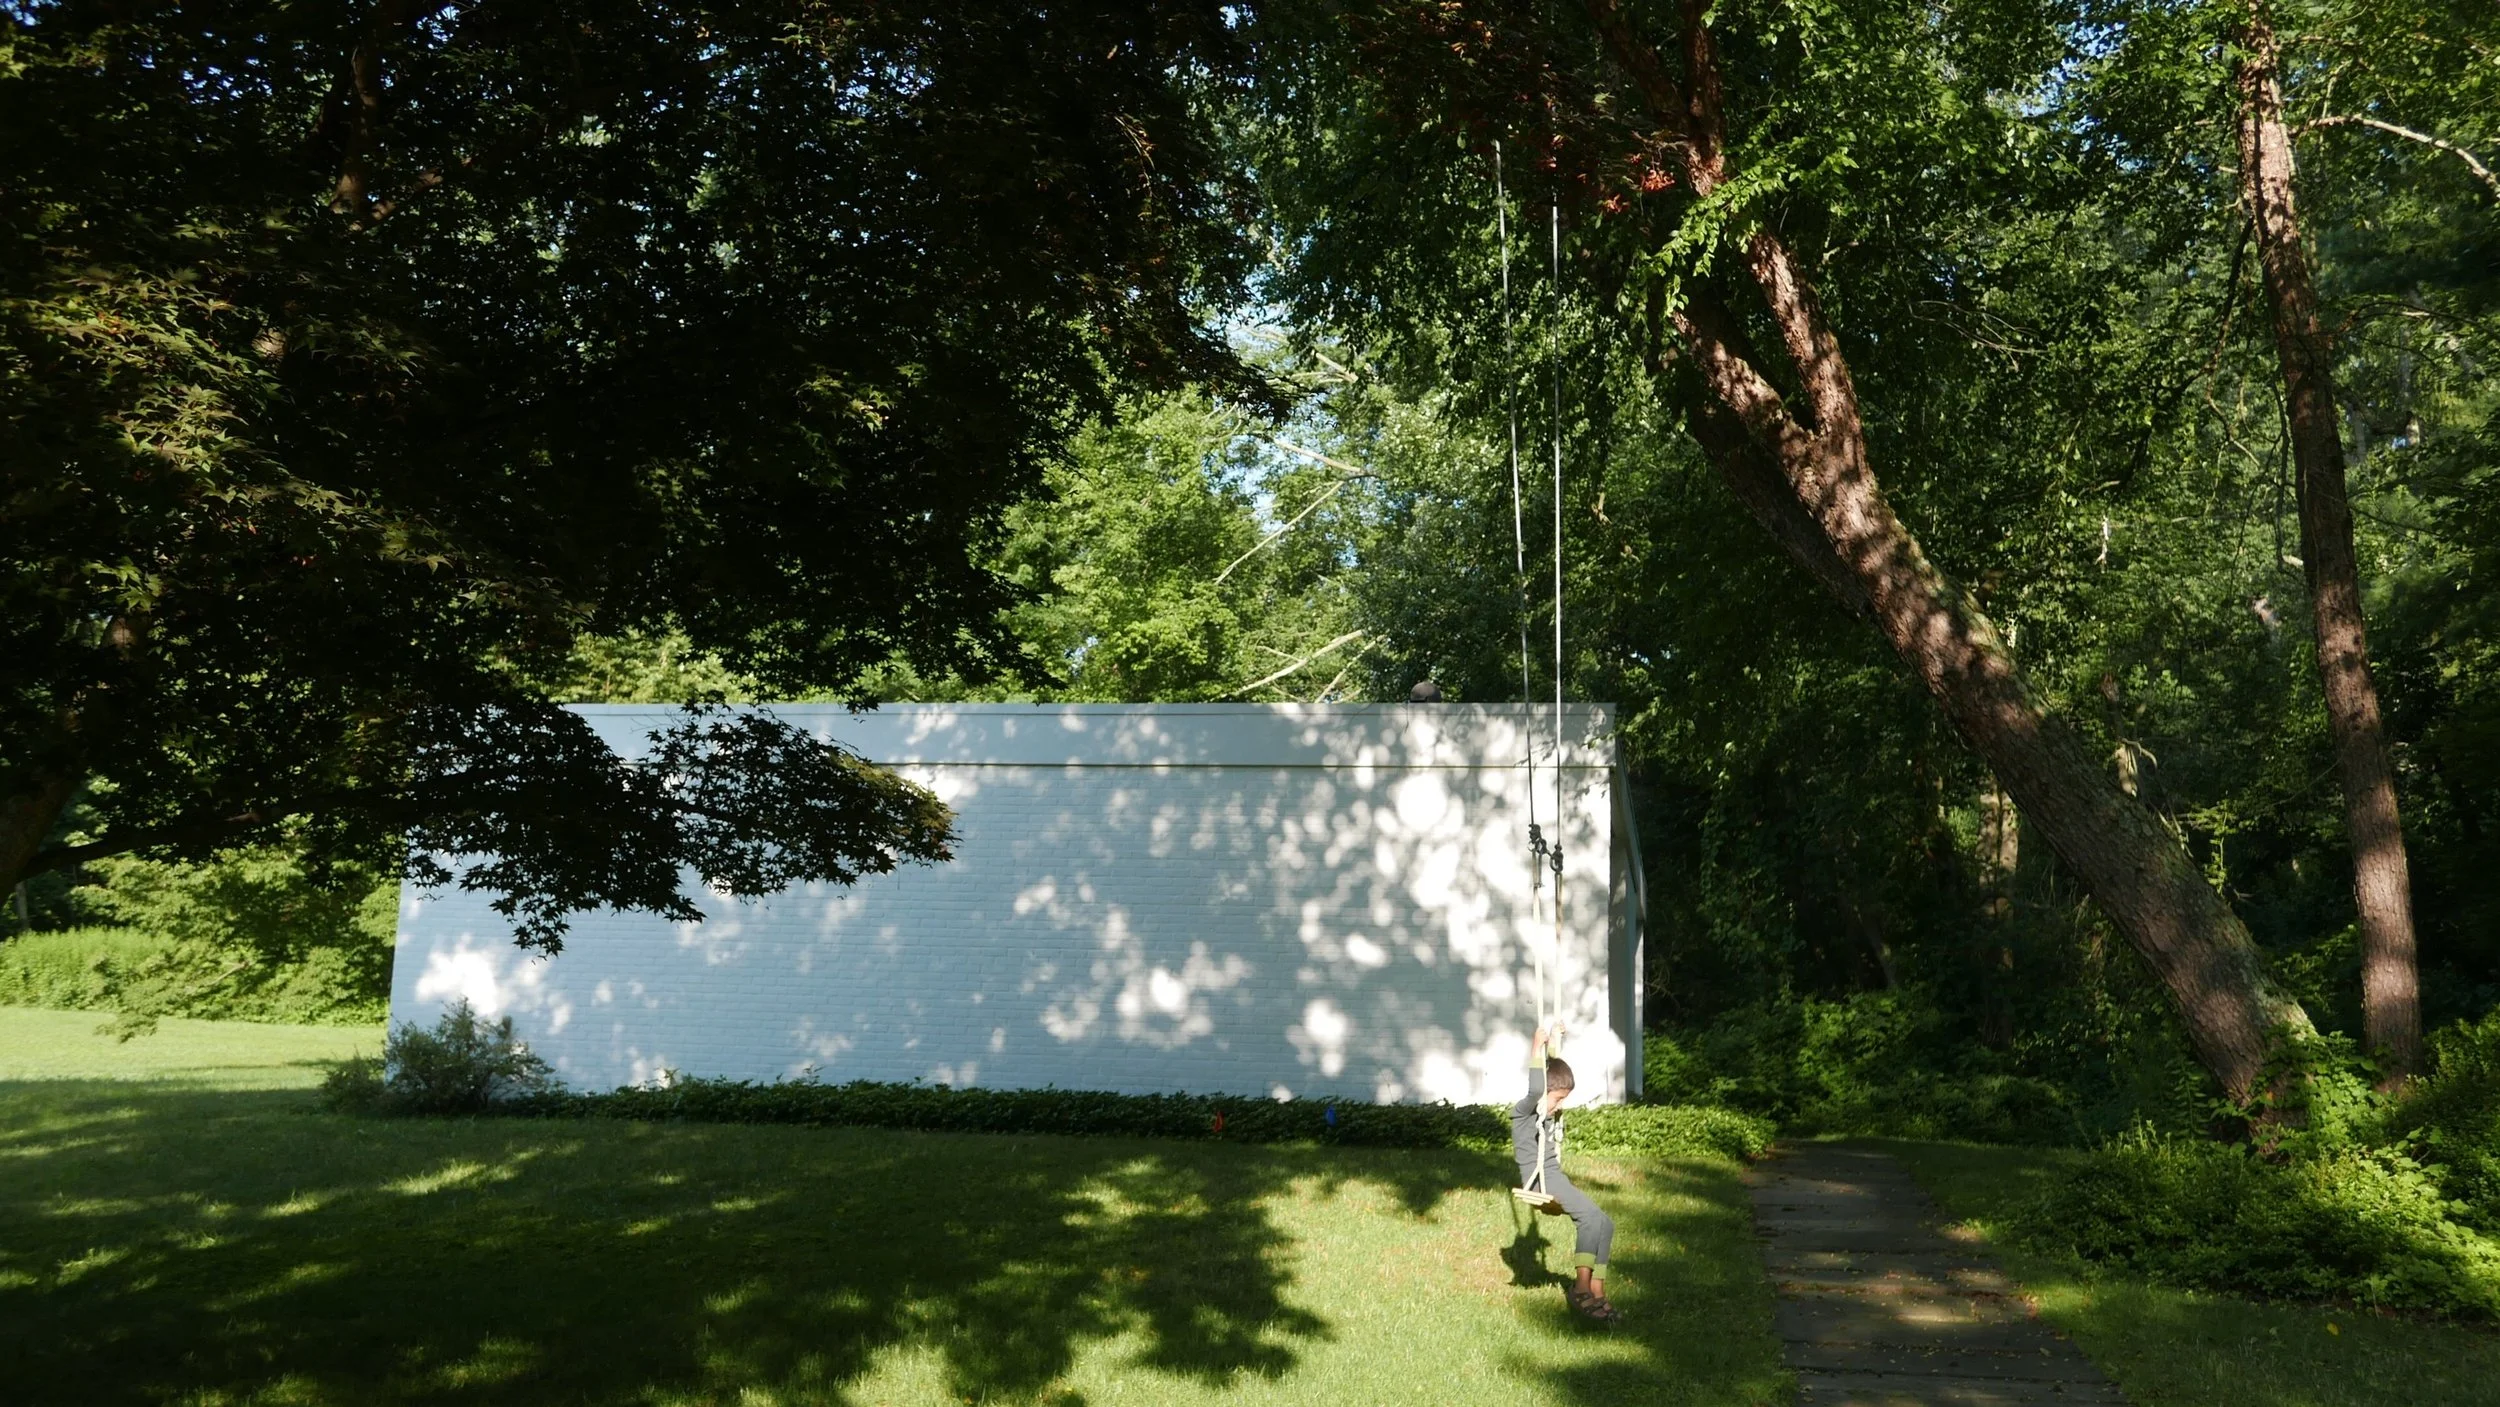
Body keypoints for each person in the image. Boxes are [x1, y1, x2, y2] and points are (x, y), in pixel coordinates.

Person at [1512, 1023, 1619, 1324]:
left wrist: (1556, 1043)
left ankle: (1598, 1288)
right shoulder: (1525, 1112)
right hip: (1540, 1180)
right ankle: (1581, 1288)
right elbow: (1538, 1087)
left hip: (1555, 1176)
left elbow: (1552, 1073)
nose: (1560, 1105)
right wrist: (1537, 1045)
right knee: (1588, 1218)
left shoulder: (1546, 1110)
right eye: (1558, 1099)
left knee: (1605, 1223)